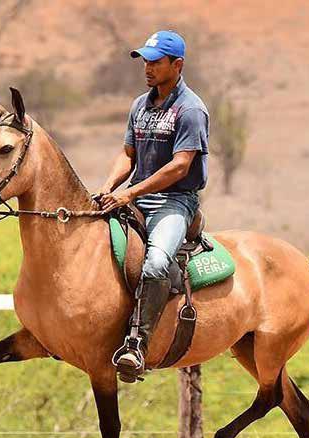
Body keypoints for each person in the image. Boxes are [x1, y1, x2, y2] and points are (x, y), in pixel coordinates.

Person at [96, 30, 210, 382]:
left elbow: (180, 166)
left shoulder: (190, 109)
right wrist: (107, 188)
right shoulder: (139, 105)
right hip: (135, 196)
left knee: (157, 262)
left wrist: (128, 195)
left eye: (155, 62)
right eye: (145, 60)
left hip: (175, 201)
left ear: (177, 65)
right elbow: (127, 155)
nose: (147, 67)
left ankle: (136, 345)